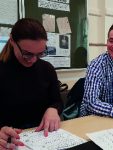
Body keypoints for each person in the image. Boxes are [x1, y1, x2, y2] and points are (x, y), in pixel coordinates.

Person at [0, 18, 63, 149]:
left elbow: (57, 101)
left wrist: (53, 109)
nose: (33, 60)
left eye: (40, 53)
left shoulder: (47, 69)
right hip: (10, 142)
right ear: (12, 41)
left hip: (43, 140)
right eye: (27, 54)